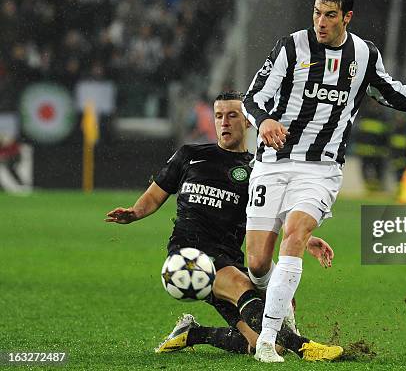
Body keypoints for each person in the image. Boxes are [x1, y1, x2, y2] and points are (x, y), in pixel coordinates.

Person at [241, 0, 406, 362]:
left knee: (297, 232)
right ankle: (283, 311)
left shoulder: (364, 55)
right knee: (256, 262)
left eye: (330, 15)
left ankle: (268, 340)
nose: (320, 21)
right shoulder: (290, 47)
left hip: (320, 169)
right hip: (272, 162)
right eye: (317, 12)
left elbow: (393, 92)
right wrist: (265, 120)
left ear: (346, 17)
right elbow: (252, 97)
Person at [105, 91, 343, 361]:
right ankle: (304, 347)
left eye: (232, 116)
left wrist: (305, 238)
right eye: (219, 116)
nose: (224, 122)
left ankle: (192, 333)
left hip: (229, 257)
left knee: (259, 344)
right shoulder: (190, 155)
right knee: (244, 289)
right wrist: (134, 213)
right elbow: (156, 194)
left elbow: (272, 216)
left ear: (249, 122)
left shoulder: (258, 170)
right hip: (189, 256)